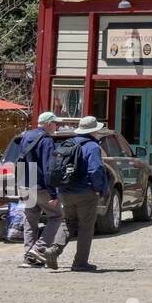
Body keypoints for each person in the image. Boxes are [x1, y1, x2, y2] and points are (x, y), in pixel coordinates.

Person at [44, 116, 108, 273]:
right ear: (94, 130)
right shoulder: (92, 146)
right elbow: (95, 170)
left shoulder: (68, 143)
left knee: (68, 222)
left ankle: (54, 249)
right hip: (85, 192)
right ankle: (80, 263)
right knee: (86, 227)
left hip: (65, 191)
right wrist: (99, 188)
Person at [18, 112, 63, 269]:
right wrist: (53, 192)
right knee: (57, 216)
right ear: (48, 123)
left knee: (30, 220)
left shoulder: (25, 137)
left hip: (25, 184)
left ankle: (28, 257)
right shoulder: (46, 140)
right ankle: (38, 249)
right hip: (40, 186)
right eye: (55, 123)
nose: (56, 126)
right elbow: (48, 167)